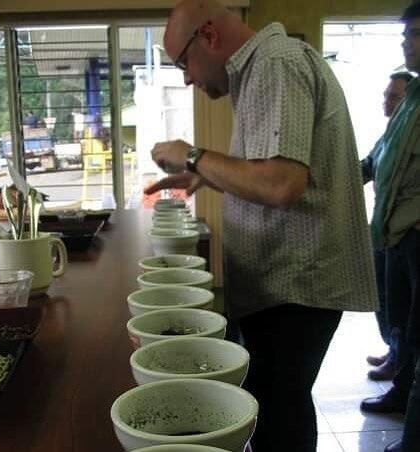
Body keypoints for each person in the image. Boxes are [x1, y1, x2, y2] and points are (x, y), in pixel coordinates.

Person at [144, 1, 378, 451]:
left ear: (207, 35)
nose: (188, 78)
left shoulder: (276, 63)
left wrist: (193, 155)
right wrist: (204, 174)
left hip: (297, 285)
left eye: (183, 63)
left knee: (279, 412)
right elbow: (267, 170)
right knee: (275, 404)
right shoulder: (259, 70)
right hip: (284, 282)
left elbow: (280, 184)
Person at [361, 4, 420, 452]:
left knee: (415, 331)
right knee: (397, 318)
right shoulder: (410, 107)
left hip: (416, 234)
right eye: (404, 35)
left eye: (415, 34)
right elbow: (376, 164)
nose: (407, 42)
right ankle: (401, 393)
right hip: (397, 233)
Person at [361, 71, 413, 382]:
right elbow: (367, 166)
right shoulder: (389, 134)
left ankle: (400, 362)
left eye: (394, 97)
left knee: (399, 305)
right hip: (383, 229)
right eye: (386, 95)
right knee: (383, 298)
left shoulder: (409, 134)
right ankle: (394, 351)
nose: (387, 101)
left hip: (403, 233)